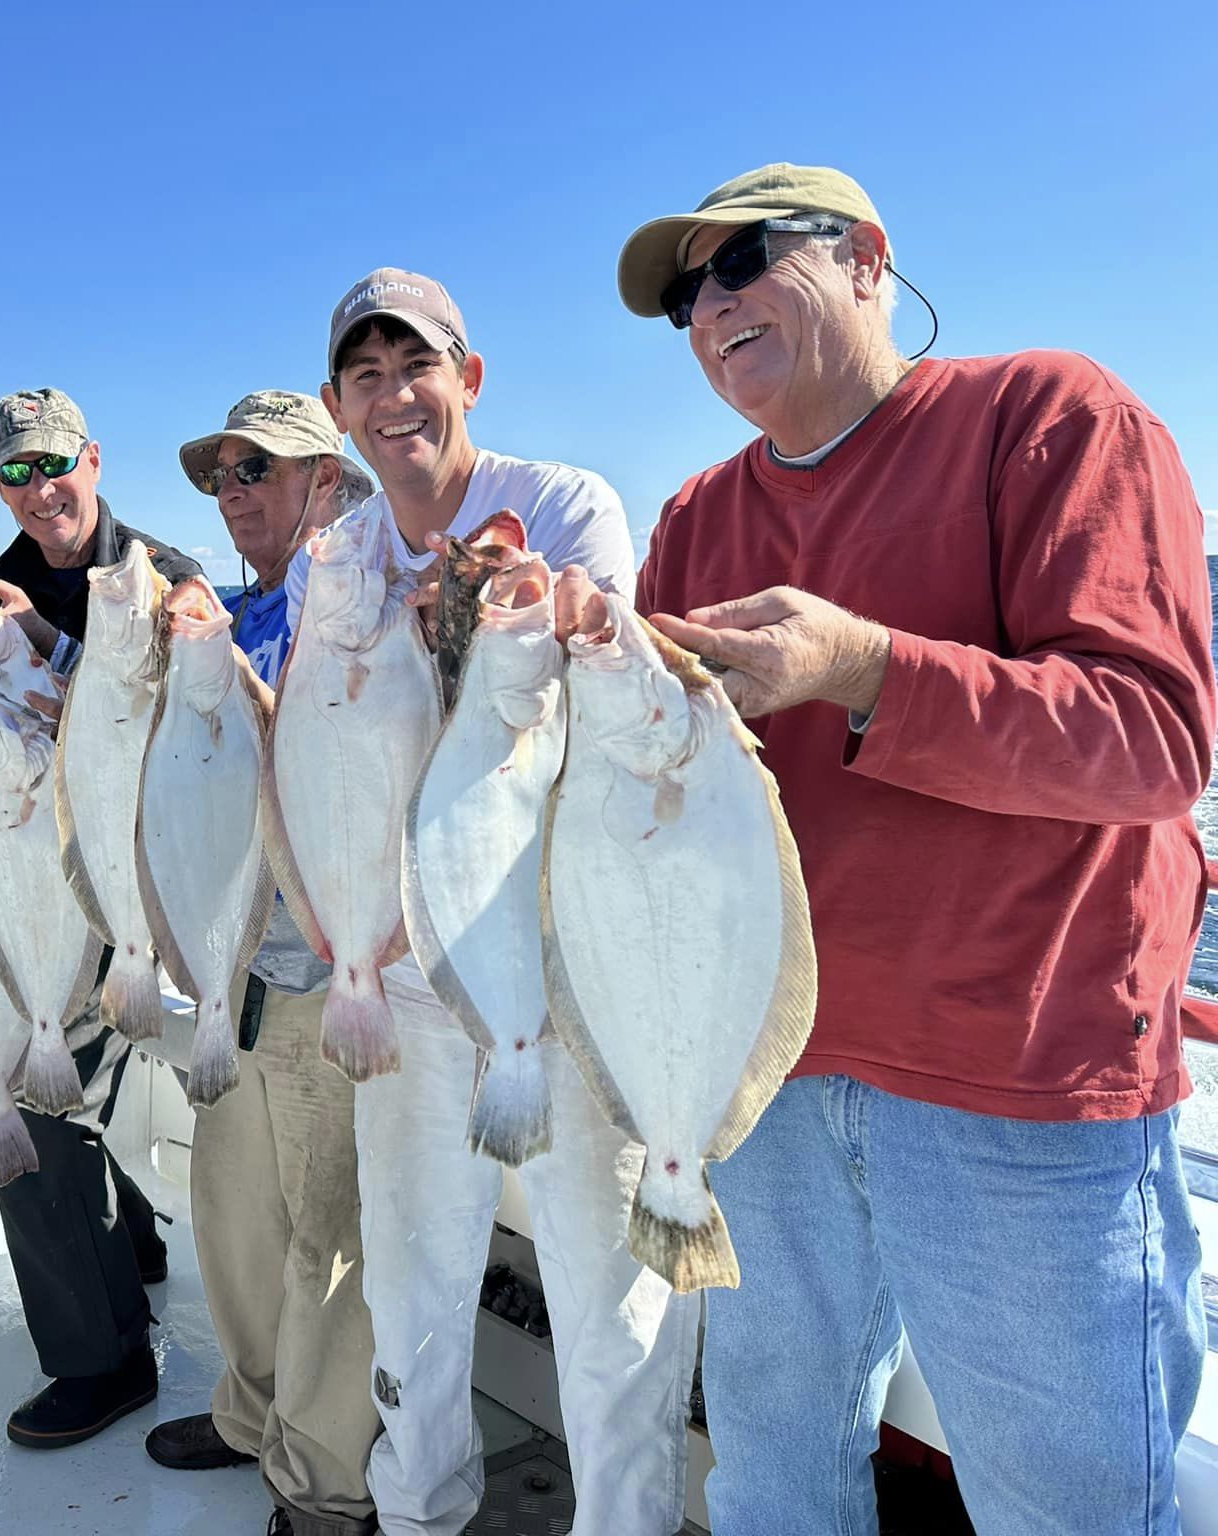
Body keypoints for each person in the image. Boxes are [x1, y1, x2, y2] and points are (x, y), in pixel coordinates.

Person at [578, 163, 1215, 1536]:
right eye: (685, 296)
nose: (710, 306)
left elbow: (1157, 740)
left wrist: (860, 665)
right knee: (768, 1482)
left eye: (742, 260)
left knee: (1072, 1511)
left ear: (868, 258)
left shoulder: (1051, 417)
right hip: (762, 1088)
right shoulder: (691, 520)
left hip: (1018, 1097)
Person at [292, 274, 702, 1536]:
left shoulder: (566, 506)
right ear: (337, 408)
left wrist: (479, 621)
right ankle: (417, 1513)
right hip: (405, 982)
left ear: (467, 379)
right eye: (362, 375)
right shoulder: (340, 556)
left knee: (608, 1296)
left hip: (566, 968)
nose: (391, 395)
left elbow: (596, 708)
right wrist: (322, 901)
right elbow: (313, 751)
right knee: (411, 1279)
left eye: (414, 365)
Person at [144, 391, 380, 1536]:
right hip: (228, 978)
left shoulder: (354, 607)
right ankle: (250, 1417)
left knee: (324, 1247)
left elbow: (337, 761)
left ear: (325, 481)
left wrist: (229, 676)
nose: (235, 493)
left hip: (323, 979)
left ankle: (325, 1484)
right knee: (233, 1224)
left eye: (260, 471)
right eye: (222, 477)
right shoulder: (237, 611)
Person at [0, 387, 196, 1449]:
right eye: (13, 472)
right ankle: (126, 1273)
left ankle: (100, 1361)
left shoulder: (163, 576)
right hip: (47, 876)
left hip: (151, 882)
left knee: (32, 1090)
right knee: (45, 1076)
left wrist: (49, 646)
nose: (37, 489)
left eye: (51, 463)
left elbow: (176, 716)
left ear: (92, 459)